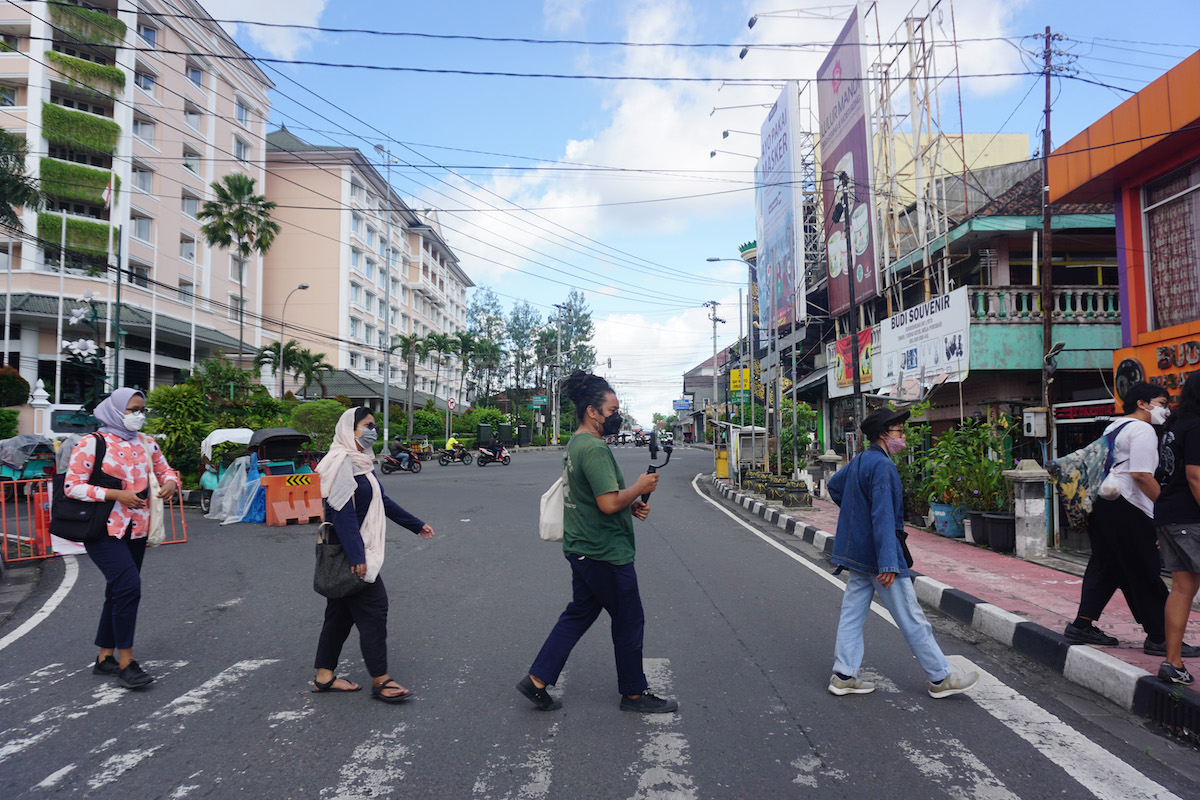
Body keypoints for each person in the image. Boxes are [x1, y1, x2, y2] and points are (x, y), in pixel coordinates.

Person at [517, 370, 675, 713]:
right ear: (593, 411)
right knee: (629, 618)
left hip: (582, 547)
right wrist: (639, 488)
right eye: (613, 409)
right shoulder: (594, 449)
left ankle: (537, 680)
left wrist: (629, 504)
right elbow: (606, 503)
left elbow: (597, 497)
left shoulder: (576, 443)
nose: (616, 415)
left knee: (580, 613)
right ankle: (634, 693)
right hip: (604, 551)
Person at [827, 408, 979, 698]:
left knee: (851, 613)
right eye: (899, 431)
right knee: (910, 615)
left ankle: (844, 674)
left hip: (858, 554)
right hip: (881, 556)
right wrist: (887, 562)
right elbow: (883, 517)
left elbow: (835, 487)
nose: (903, 437)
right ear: (884, 434)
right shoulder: (882, 467)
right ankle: (940, 677)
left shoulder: (861, 460)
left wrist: (855, 518)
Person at [1064, 382, 1198, 658]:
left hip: (1105, 504)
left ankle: (1082, 624)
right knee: (1143, 569)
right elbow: (1141, 475)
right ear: (1143, 403)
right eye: (1161, 403)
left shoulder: (1115, 426)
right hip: (1128, 505)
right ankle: (1160, 637)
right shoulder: (1143, 430)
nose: (1165, 409)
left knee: (1107, 565)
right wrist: (1163, 507)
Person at [312, 407, 435, 702]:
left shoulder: (361, 464)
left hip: (349, 550)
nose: (373, 431)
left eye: (374, 426)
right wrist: (358, 559)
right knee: (374, 609)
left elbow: (383, 500)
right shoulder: (342, 462)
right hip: (349, 551)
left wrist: (415, 525)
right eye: (367, 425)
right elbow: (342, 515)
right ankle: (381, 680)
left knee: (339, 615)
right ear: (350, 429)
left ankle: (324, 676)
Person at [65, 388, 179, 689]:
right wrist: (116, 494)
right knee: (129, 585)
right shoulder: (92, 443)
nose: (138, 415)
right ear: (116, 410)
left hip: (137, 529)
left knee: (118, 590)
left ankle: (105, 658)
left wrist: (170, 483)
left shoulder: (147, 443)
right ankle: (127, 662)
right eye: (132, 410)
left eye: (142, 409)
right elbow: (72, 486)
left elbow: (167, 470)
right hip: (102, 528)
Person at [1153, 373, 1200, 684]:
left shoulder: (1174, 425)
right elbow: (1195, 476)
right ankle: (1172, 661)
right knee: (1184, 589)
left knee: (1183, 589)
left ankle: (1173, 663)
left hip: (1169, 514)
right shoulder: (1196, 426)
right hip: (1189, 517)